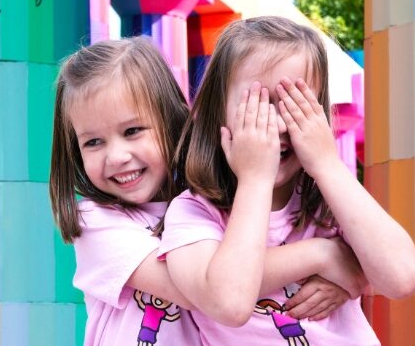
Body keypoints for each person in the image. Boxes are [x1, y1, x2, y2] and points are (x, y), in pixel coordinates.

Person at [49, 36, 362, 346]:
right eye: (93, 142)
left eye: (132, 131)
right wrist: (323, 256)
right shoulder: (96, 221)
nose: (116, 156)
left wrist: (354, 279)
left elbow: (237, 277)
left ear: (170, 120)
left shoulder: (209, 204)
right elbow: (210, 292)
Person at [160, 16, 415, 345]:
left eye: (295, 105)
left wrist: (327, 164)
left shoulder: (330, 200)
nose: (279, 125)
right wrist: (255, 179)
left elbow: (403, 278)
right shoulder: (192, 213)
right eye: (257, 106)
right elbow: (229, 301)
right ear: (215, 113)